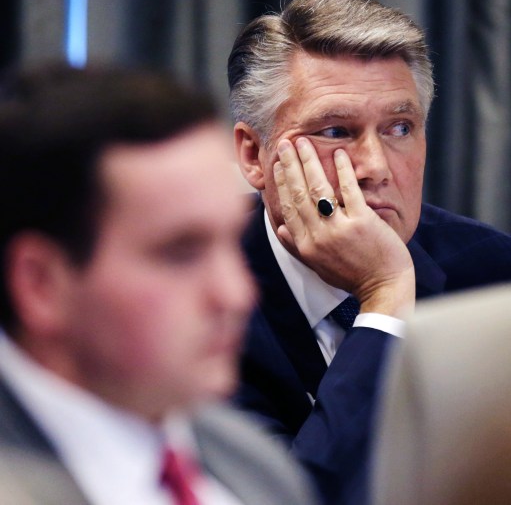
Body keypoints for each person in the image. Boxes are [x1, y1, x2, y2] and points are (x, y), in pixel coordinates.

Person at [226, 0, 511, 504]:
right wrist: (384, 297)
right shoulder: (198, 290)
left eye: (400, 128)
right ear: (255, 155)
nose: (376, 167)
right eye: (336, 131)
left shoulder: (485, 265)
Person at [0, 65, 317, 505]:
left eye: (230, 243)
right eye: (181, 253)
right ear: (41, 285)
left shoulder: (253, 462)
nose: (236, 295)